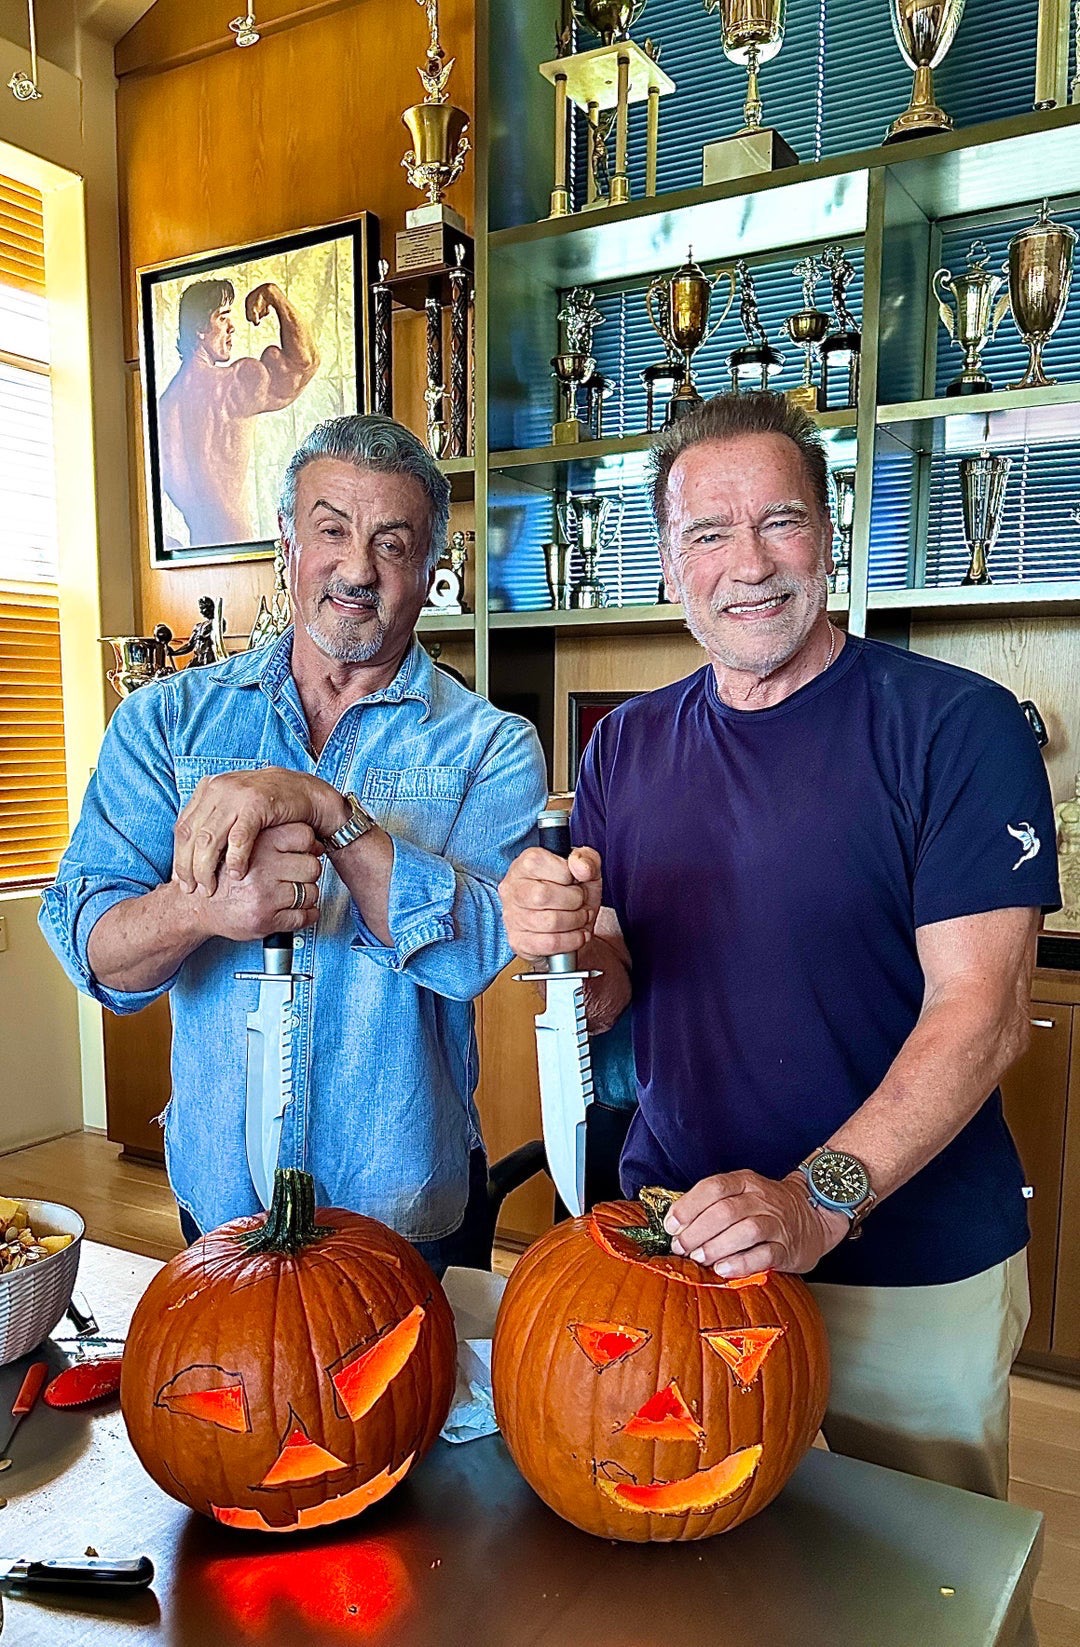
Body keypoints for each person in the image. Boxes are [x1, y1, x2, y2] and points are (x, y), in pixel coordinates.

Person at [498, 392, 1059, 1508]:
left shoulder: (958, 726)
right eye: (709, 533)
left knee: (919, 1574)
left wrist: (814, 1201)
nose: (748, 564)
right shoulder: (624, 745)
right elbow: (615, 981)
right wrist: (560, 947)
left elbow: (982, 1012)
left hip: (908, 1263)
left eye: (780, 521)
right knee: (695, 1546)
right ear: (669, 563)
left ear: (829, 534)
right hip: (681, 1244)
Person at [42, 415, 548, 1272]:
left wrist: (324, 808)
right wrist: (202, 907)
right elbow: (95, 953)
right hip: (222, 1206)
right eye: (332, 530)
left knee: (409, 1370)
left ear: (431, 567)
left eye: (392, 543)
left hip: (405, 1210)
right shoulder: (165, 722)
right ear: (288, 544)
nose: (358, 569)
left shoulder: (491, 746)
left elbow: (469, 955)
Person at [158, 278, 319, 548]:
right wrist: (274, 296)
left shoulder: (162, 408)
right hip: (239, 545)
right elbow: (304, 363)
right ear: (200, 329)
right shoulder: (234, 384)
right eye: (222, 318)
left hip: (198, 554)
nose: (231, 327)